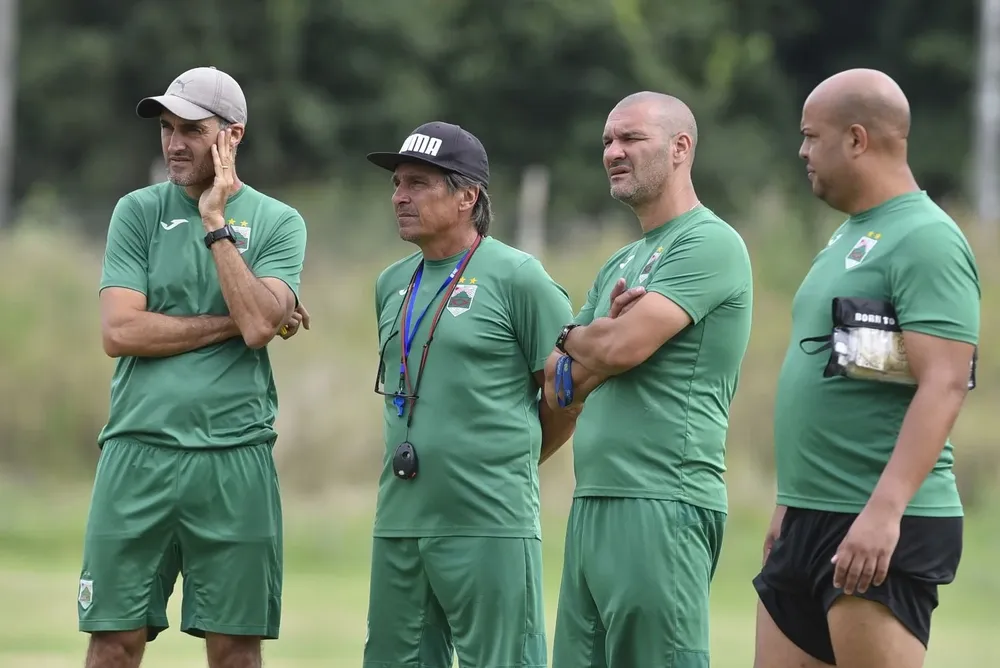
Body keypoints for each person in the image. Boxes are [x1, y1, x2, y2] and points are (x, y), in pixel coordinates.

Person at [78, 66, 309, 668]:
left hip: (235, 457)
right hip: (137, 452)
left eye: (192, 130)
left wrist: (214, 221)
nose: (174, 143)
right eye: (166, 128)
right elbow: (120, 330)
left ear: (232, 137)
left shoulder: (281, 222)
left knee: (235, 652)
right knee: (112, 646)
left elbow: (263, 324)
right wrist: (235, 321)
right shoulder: (137, 211)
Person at [752, 69, 980, 668]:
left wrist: (884, 512)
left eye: (810, 136)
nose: (801, 151)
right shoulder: (849, 236)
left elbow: (946, 381)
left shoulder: (928, 239)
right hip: (809, 513)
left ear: (856, 139)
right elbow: (847, 366)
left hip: (875, 518)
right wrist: (790, 500)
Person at [544, 91, 754, 667]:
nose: (613, 151)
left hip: (662, 498)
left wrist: (573, 336)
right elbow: (559, 383)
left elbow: (620, 345)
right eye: (608, 141)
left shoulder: (709, 242)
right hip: (593, 502)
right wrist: (590, 349)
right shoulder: (621, 261)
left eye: (631, 139)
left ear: (680, 147)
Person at [362, 120, 579, 668]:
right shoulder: (392, 282)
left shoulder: (519, 278)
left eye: (417, 183)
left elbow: (566, 395)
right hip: (401, 520)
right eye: (396, 184)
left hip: (489, 522)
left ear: (467, 196)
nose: (400, 196)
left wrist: (509, 458)